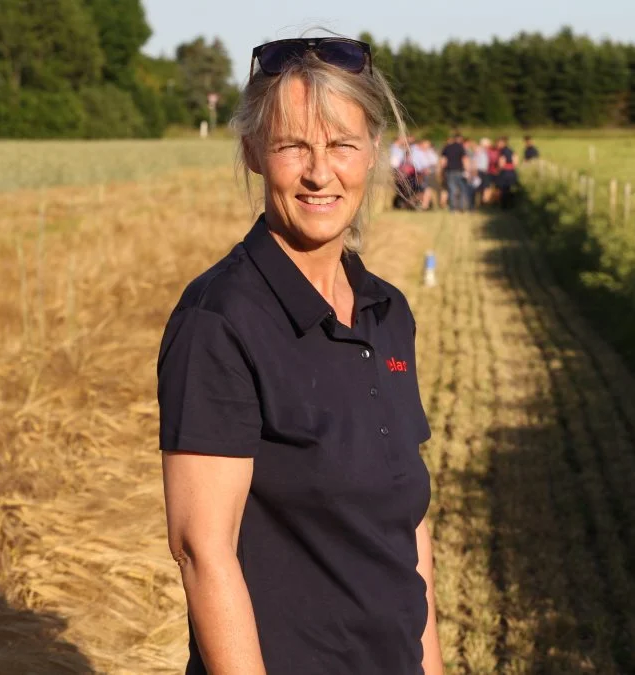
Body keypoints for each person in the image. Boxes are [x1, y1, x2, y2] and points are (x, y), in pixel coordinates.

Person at [158, 34, 443, 675]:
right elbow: (202, 552)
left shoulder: (388, 312)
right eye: (294, 146)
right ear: (254, 154)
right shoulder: (219, 320)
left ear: (373, 152)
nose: (321, 173)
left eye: (342, 144)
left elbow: (407, 523)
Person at [439, 132, 469, 212]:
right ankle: (462, 207)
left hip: (449, 171)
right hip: (459, 171)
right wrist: (467, 171)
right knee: (462, 189)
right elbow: (464, 159)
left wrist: (442, 171)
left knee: (452, 190)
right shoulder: (461, 147)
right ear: (460, 139)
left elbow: (443, 161)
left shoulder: (447, 147)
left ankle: (453, 209)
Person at [495, 136, 518, 209]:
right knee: (510, 188)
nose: (497, 144)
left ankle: (504, 206)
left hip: (505, 172)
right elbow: (516, 162)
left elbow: (502, 162)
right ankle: (512, 205)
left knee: (503, 189)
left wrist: (498, 170)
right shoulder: (511, 150)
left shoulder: (502, 151)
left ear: (502, 143)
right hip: (512, 172)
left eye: (498, 143)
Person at [473, 137, 491, 207]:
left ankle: (483, 202)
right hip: (479, 171)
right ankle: (477, 203)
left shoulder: (485, 151)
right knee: (478, 188)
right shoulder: (479, 150)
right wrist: (475, 171)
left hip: (484, 171)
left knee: (485, 187)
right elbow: (475, 161)